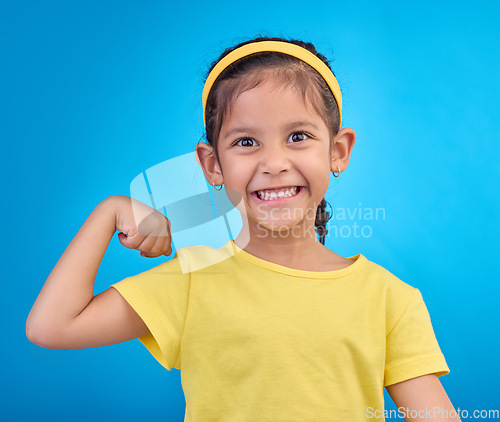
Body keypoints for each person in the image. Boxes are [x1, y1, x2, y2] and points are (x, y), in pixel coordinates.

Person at [26, 35, 462, 421]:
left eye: (298, 136)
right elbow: (52, 327)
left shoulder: (389, 299)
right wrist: (109, 210)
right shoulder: (192, 281)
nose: (273, 163)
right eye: (246, 142)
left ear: (338, 151)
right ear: (212, 165)